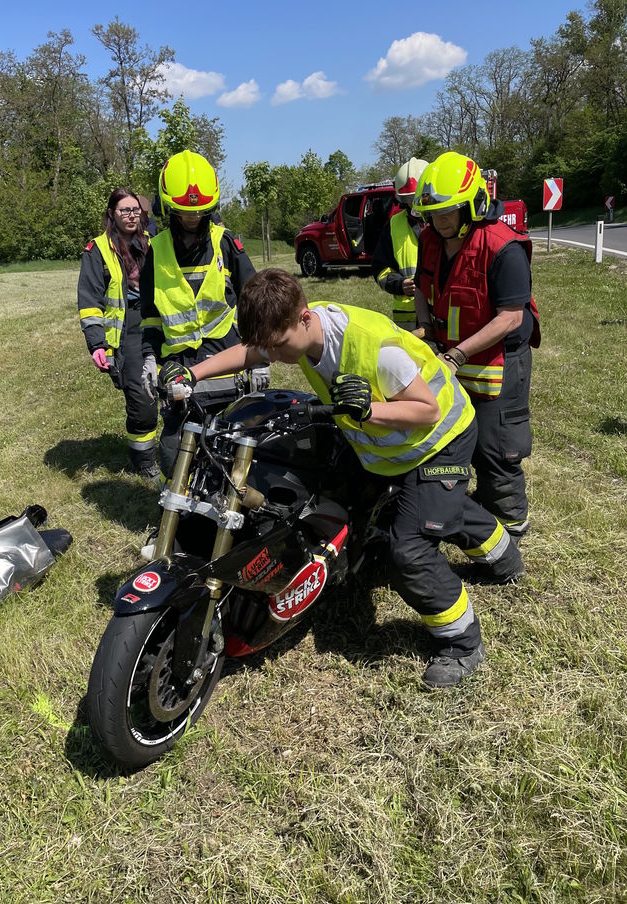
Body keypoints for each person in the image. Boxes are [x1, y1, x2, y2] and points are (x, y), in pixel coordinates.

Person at [160, 268, 526, 689]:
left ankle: (462, 642)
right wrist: (194, 373)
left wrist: (370, 410)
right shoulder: (294, 332)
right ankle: (503, 555)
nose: (273, 357)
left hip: (439, 440)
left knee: (407, 549)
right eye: (268, 347)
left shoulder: (371, 347)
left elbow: (428, 410)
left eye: (278, 346)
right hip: (388, 450)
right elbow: (252, 351)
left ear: (304, 318)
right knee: (422, 507)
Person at [412, 152, 540, 536]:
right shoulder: (430, 240)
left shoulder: (503, 247)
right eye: (433, 213)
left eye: (447, 212)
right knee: (450, 440)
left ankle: (511, 528)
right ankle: (471, 518)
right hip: (452, 356)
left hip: (499, 359)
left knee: (496, 448)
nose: (439, 221)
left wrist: (457, 354)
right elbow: (421, 286)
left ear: (473, 205)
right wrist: (424, 327)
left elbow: (511, 317)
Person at [140, 150, 269, 477]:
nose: (192, 219)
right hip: (178, 369)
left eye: (199, 212)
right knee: (174, 456)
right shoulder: (156, 251)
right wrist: (149, 358)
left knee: (234, 449)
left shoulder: (226, 243)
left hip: (227, 365)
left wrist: (261, 357)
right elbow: (150, 315)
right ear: (167, 208)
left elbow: (254, 301)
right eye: (184, 213)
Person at [77, 188, 159, 481]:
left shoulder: (153, 243)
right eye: (125, 210)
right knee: (142, 396)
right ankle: (144, 460)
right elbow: (90, 300)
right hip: (127, 331)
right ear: (112, 214)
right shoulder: (97, 249)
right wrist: (96, 343)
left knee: (172, 387)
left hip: (158, 322)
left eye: (135, 210)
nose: (131, 215)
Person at [371, 157, 428, 330]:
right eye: (408, 199)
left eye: (418, 197)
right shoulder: (394, 225)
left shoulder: (443, 223)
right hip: (408, 320)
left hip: (440, 314)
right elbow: (380, 269)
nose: (414, 203)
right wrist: (399, 284)